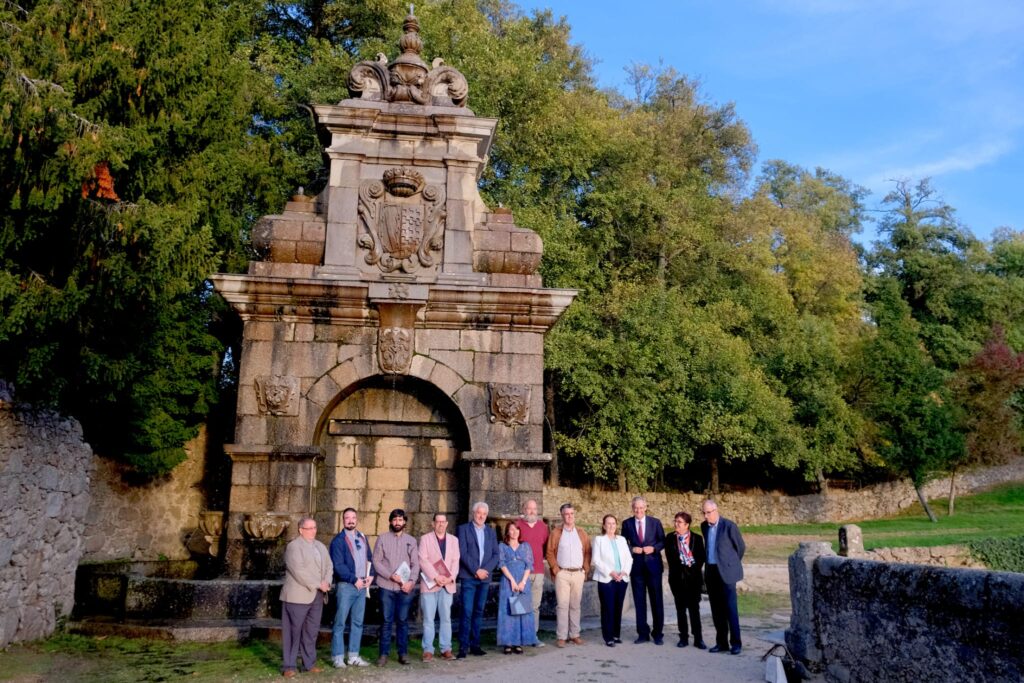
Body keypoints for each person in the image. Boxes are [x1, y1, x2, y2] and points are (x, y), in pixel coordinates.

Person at [280, 517, 332, 678]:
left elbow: (329, 566)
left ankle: (309, 664)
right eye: (309, 528)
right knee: (293, 633)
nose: (313, 531)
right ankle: (289, 666)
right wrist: (318, 584)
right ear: (301, 530)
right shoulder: (293, 547)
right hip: (297, 597)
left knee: (311, 632)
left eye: (315, 527)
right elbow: (298, 571)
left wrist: (327, 582)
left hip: (317, 596)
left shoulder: (320, 546)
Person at [371, 508, 419, 667]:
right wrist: (390, 575)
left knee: (403, 620)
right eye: (394, 519)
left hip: (404, 588)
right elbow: (376, 561)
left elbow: (415, 564)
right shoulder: (382, 538)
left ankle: (402, 653)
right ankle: (383, 655)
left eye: (400, 520)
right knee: (386, 621)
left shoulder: (411, 541)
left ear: (404, 522)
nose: (397, 522)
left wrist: (411, 581)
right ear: (390, 521)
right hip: (386, 586)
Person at [328, 508, 374, 668]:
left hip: (362, 586)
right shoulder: (338, 541)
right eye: (347, 518)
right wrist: (354, 579)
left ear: (357, 519)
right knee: (340, 622)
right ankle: (338, 657)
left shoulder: (362, 537)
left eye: (353, 517)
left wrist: (371, 575)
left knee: (357, 622)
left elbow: (370, 558)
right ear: (343, 520)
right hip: (346, 586)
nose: (350, 520)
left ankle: (353, 656)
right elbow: (338, 565)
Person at [701, 499, 746, 655]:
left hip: (726, 572)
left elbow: (740, 547)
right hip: (711, 571)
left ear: (716, 510)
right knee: (716, 610)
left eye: (708, 512)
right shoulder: (704, 527)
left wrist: (730, 564)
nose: (706, 516)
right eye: (703, 513)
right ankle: (721, 643)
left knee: (730, 609)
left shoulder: (729, 526)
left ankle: (736, 643)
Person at [456, 501, 499, 659]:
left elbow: (496, 554)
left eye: (484, 514)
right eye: (479, 513)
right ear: (474, 513)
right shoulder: (463, 529)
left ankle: (475, 645)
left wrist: (485, 570)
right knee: (467, 611)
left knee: (479, 612)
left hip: (484, 578)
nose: (481, 516)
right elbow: (462, 552)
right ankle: (463, 647)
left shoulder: (491, 532)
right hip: (469, 577)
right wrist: (476, 570)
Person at [621, 495, 666, 644]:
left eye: (641, 507)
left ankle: (658, 634)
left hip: (654, 567)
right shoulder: (627, 523)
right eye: (636, 508)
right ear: (632, 508)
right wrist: (632, 549)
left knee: (656, 601)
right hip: (636, 568)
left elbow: (662, 541)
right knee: (639, 602)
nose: (638, 510)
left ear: (646, 507)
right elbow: (623, 543)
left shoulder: (655, 522)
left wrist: (653, 548)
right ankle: (642, 634)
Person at [545, 502, 591, 648]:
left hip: (578, 573)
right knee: (562, 606)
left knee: (575, 606)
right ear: (562, 515)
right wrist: (555, 569)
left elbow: (588, 552)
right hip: (562, 573)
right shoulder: (556, 533)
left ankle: (575, 634)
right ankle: (561, 636)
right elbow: (549, 552)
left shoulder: (582, 533)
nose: (569, 516)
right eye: (566, 514)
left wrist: (585, 570)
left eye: (571, 514)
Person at [418, 512, 460, 662]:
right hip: (430, 584)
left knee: (446, 618)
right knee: (428, 619)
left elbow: (455, 561)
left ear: (447, 523)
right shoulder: (425, 539)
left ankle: (446, 649)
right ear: (433, 524)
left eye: (443, 521)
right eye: (438, 521)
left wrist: (450, 578)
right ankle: (428, 650)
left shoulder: (454, 540)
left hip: (447, 585)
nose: (441, 524)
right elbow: (423, 560)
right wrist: (436, 577)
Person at [590, 514, 633, 647]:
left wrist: (624, 571)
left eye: (613, 523)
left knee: (618, 607)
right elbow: (596, 560)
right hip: (606, 578)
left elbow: (629, 558)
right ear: (604, 526)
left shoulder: (622, 539)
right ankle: (608, 637)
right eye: (608, 523)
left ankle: (616, 634)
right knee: (608, 608)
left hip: (621, 578)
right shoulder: (599, 540)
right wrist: (611, 572)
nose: (611, 526)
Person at [665, 511, 706, 649]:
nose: (676, 524)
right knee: (680, 609)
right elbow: (670, 558)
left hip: (693, 579)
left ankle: (698, 638)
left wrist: (691, 566)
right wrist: (683, 563)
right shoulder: (670, 538)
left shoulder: (697, 538)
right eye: (675, 521)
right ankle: (683, 637)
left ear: (687, 524)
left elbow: (701, 558)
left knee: (694, 609)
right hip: (677, 579)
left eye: (679, 522)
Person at [513, 499, 549, 646]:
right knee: (519, 604)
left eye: (534, 508)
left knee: (534, 606)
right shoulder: (517, 525)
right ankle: (518, 637)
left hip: (538, 571)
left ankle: (532, 636)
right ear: (524, 509)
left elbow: (545, 547)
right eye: (529, 508)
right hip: (521, 572)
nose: (532, 511)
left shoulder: (543, 527)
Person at [497, 522, 535, 654]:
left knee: (520, 610)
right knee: (507, 611)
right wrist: (512, 581)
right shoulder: (502, 546)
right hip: (508, 581)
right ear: (507, 532)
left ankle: (518, 642)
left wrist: (523, 582)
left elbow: (529, 565)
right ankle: (507, 642)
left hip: (522, 582)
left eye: (516, 529)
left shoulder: (525, 546)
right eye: (511, 529)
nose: (514, 532)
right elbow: (501, 564)